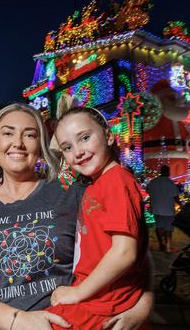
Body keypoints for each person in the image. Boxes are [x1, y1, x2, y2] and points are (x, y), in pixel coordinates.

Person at [0, 103, 152, 330]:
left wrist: (141, 307)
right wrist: (18, 321)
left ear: (42, 147)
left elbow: (133, 249)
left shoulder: (75, 194)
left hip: (75, 321)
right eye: (7, 133)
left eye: (30, 134)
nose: (18, 143)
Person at [49, 106, 150, 329]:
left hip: (103, 302)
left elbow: (125, 252)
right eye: (67, 147)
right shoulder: (97, 184)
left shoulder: (117, 180)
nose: (78, 151)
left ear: (109, 136)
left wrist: (77, 293)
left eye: (84, 137)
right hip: (97, 295)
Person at [148, 165, 180, 252]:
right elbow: (176, 197)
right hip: (168, 210)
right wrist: (181, 205)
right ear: (168, 172)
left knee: (159, 227)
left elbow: (150, 194)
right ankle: (168, 246)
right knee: (168, 228)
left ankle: (161, 244)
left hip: (156, 209)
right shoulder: (170, 183)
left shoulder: (153, 182)